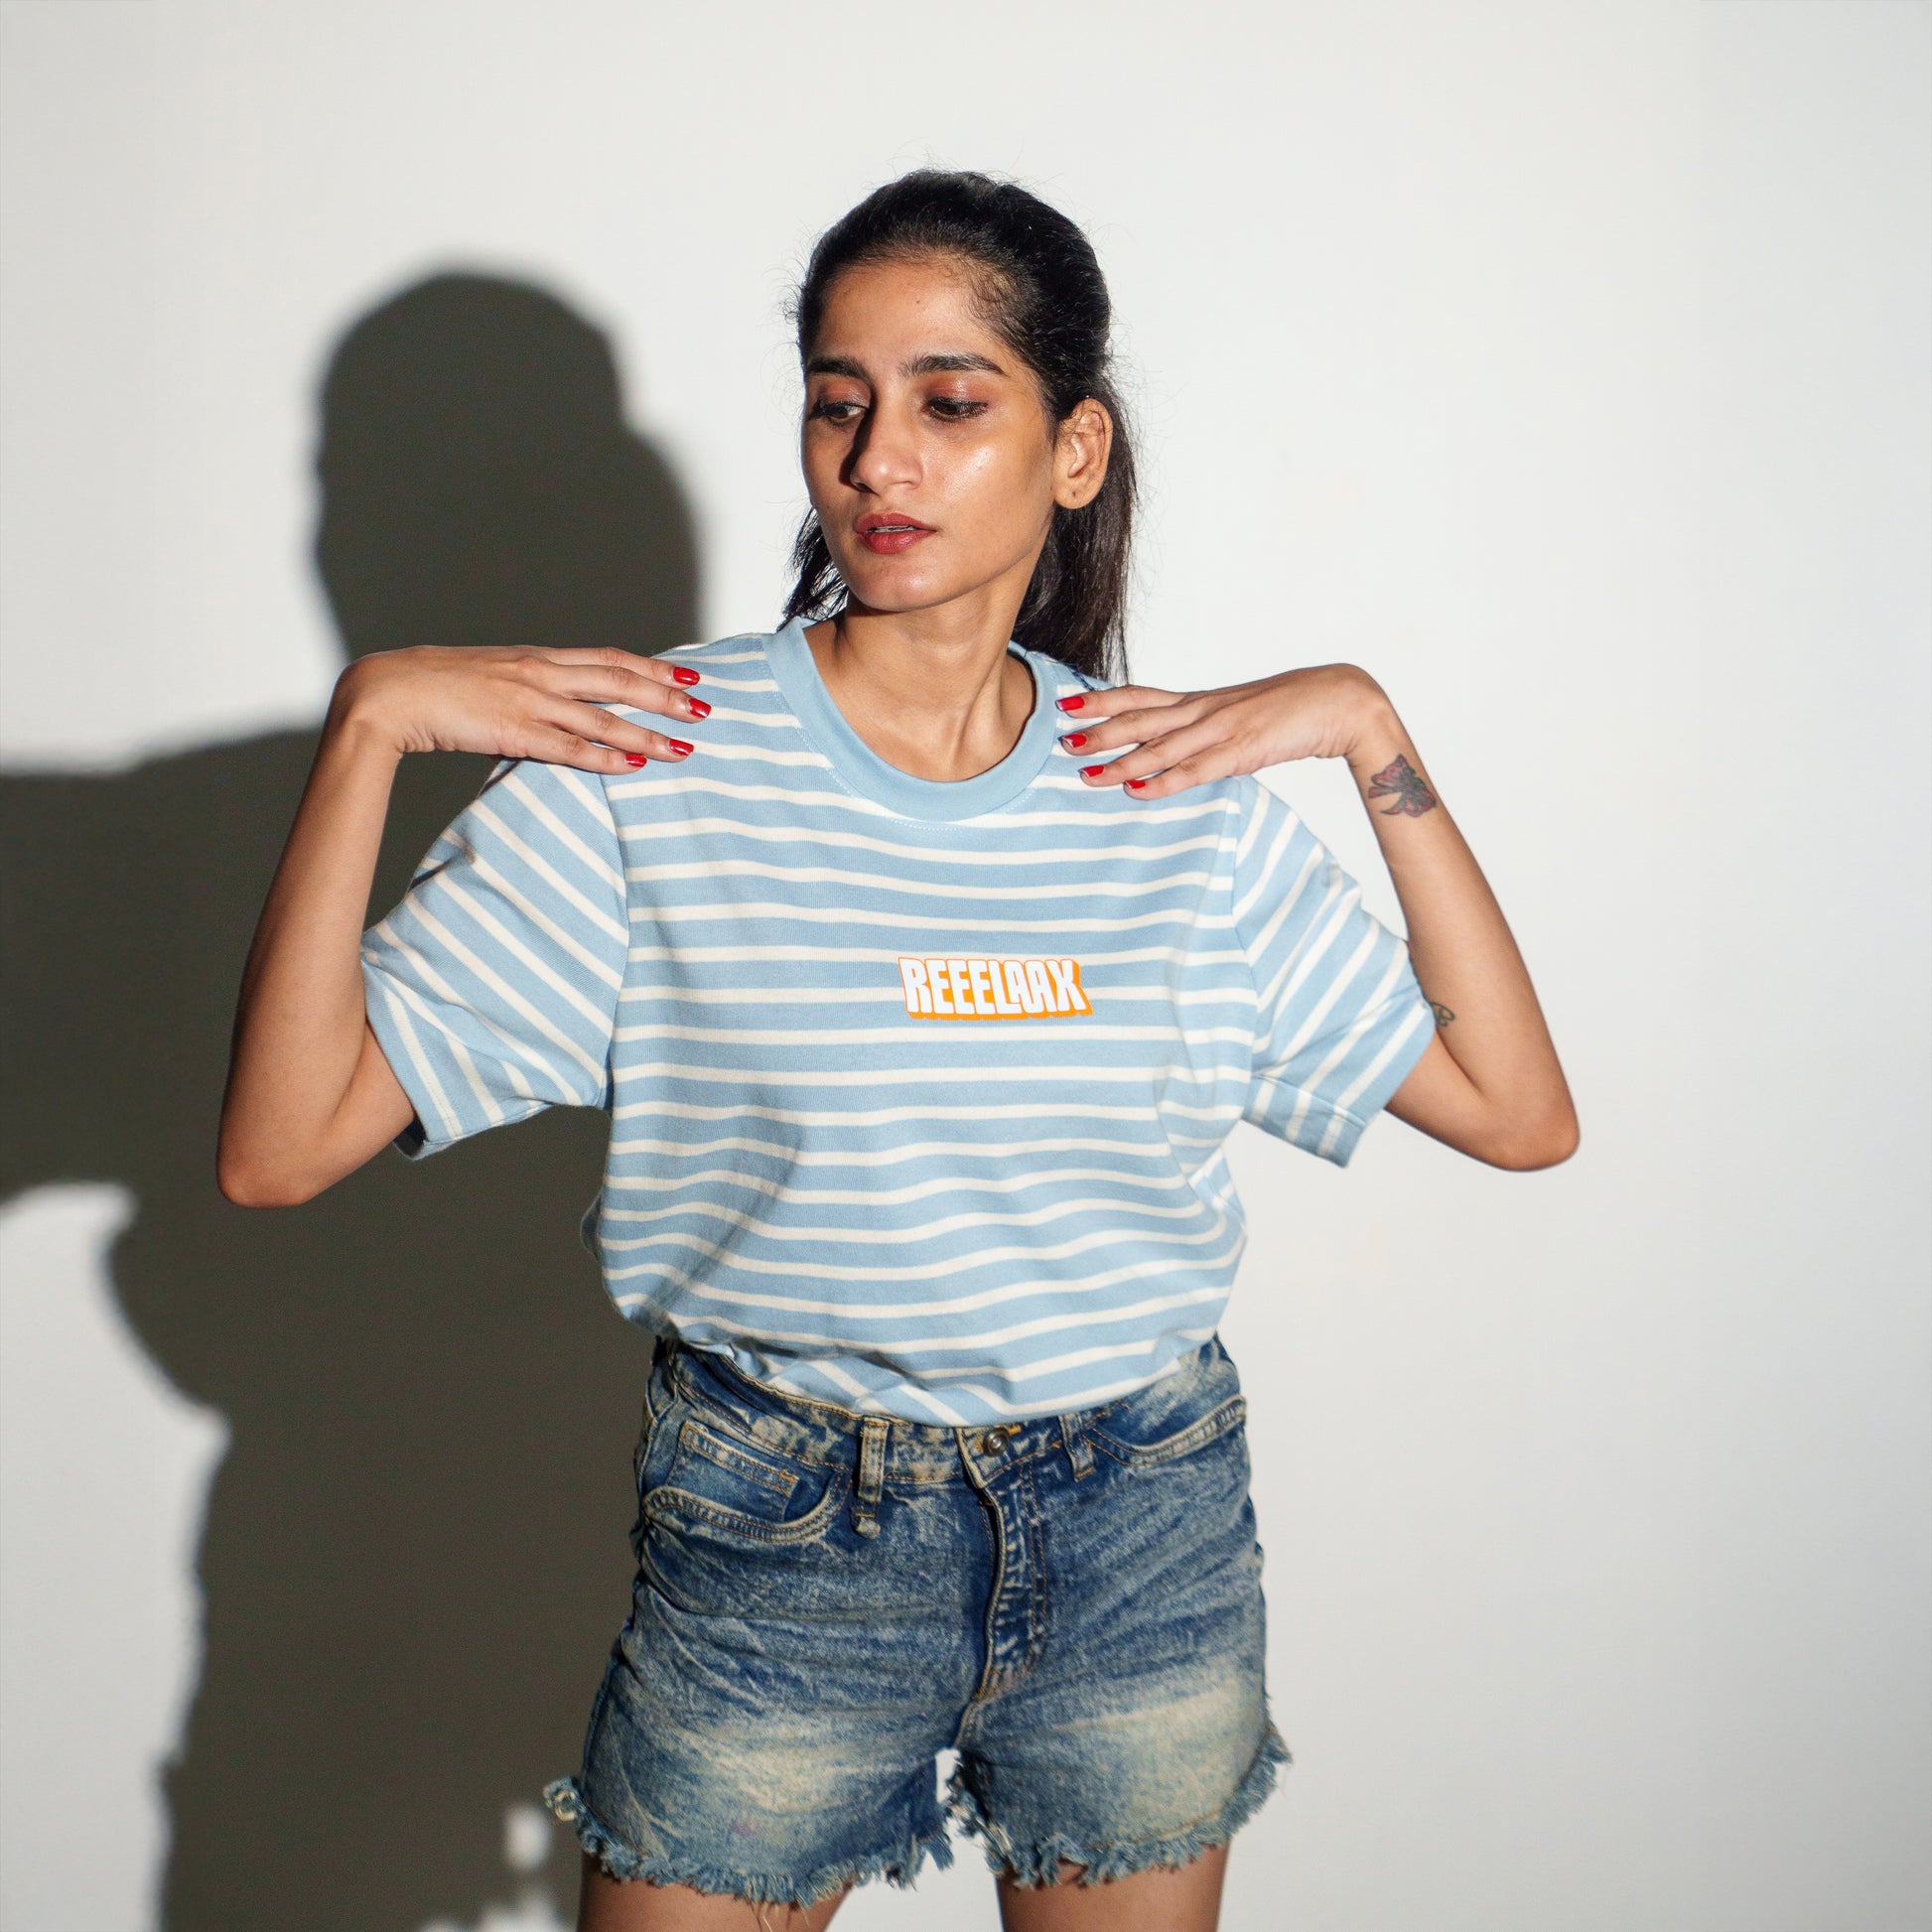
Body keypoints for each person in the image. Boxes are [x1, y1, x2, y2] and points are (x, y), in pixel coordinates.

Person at [219, 171, 1578, 1932]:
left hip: (1137, 1526)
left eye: (949, 403)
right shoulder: (656, 764)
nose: (879, 461)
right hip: (781, 1541)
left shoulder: (1166, 790)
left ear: (1073, 449)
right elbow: (281, 1146)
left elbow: (1514, 1110)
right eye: (838, 402)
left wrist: (1364, 732)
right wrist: (369, 726)